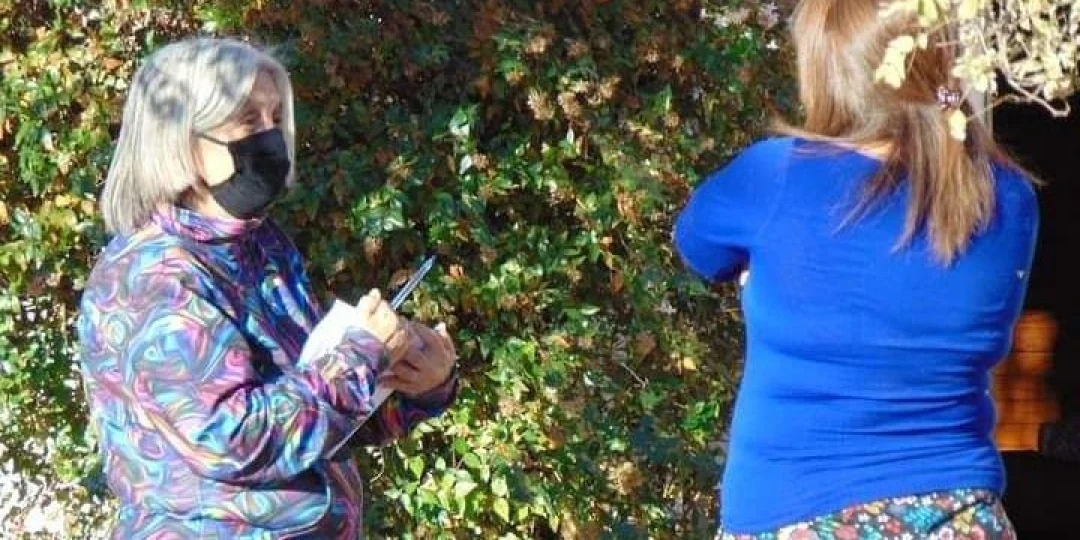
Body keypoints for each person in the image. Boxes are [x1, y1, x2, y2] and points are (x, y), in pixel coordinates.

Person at [674, 1, 1038, 538]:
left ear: (826, 69)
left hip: (795, 513)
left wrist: (771, 271)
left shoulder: (776, 174)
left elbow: (697, 246)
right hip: (960, 515)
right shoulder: (1008, 198)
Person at [77, 37, 458, 538]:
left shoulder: (260, 247)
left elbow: (312, 422)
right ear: (181, 139)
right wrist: (358, 357)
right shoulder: (153, 278)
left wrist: (420, 384)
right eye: (248, 120)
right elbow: (232, 440)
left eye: (275, 117)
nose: (271, 136)